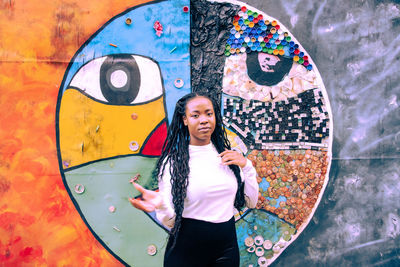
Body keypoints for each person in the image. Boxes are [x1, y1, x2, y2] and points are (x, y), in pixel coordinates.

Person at [129, 91, 259, 267]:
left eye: (209, 113)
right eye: (195, 115)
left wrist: (247, 166)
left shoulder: (230, 157)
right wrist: (160, 205)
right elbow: (171, 221)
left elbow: (251, 203)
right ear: (185, 120)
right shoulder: (173, 163)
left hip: (226, 249)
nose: (204, 120)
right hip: (186, 252)